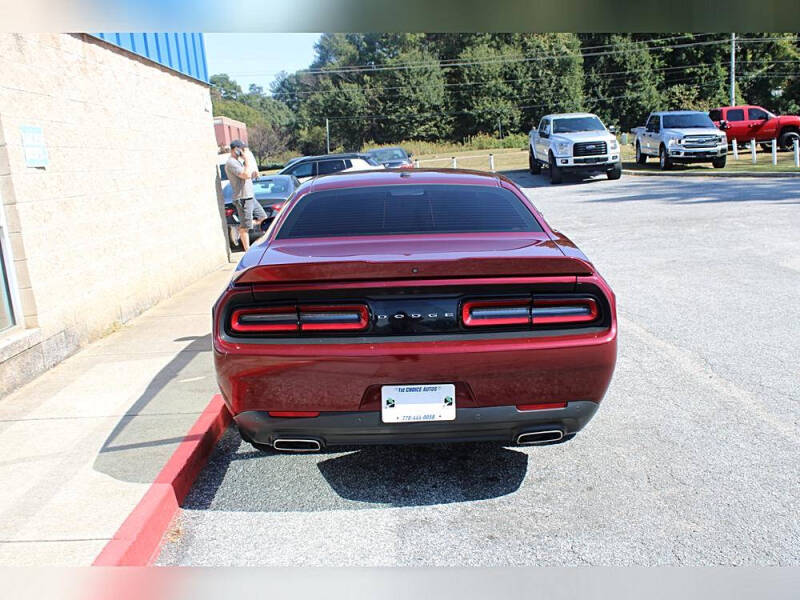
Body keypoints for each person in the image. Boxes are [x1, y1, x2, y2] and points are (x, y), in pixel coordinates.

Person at [224, 139, 266, 251]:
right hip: (242, 198)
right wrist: (246, 160)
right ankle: (247, 250)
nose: (243, 151)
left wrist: (254, 173)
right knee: (246, 227)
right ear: (235, 149)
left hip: (250, 196)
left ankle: (239, 227)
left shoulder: (238, 162)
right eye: (241, 149)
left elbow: (247, 175)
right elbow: (245, 175)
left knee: (263, 218)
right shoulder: (231, 163)